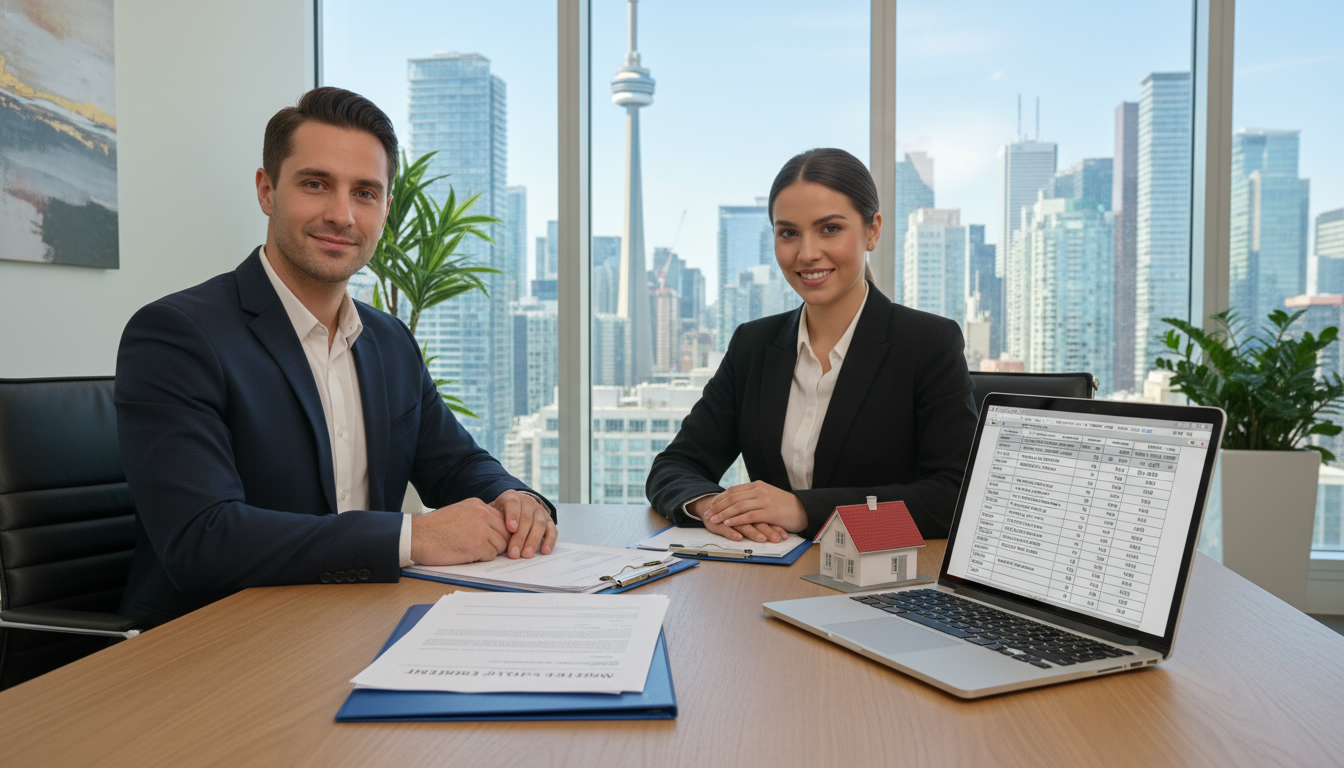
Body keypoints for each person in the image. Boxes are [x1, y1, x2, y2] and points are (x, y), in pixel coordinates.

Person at [115, 87, 556, 626]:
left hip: (358, 624)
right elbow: (202, 540)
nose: (342, 215)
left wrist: (512, 497)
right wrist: (412, 536)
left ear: (386, 210)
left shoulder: (390, 340)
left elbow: (456, 463)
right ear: (267, 190)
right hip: (215, 641)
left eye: (365, 193)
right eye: (316, 184)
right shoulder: (178, 335)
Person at [646, 148, 976, 545]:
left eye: (830, 229)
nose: (806, 253)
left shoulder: (927, 344)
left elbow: (954, 499)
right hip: (767, 575)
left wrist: (804, 511)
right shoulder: (753, 345)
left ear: (872, 231)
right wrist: (712, 507)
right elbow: (674, 466)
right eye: (788, 233)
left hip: (886, 582)